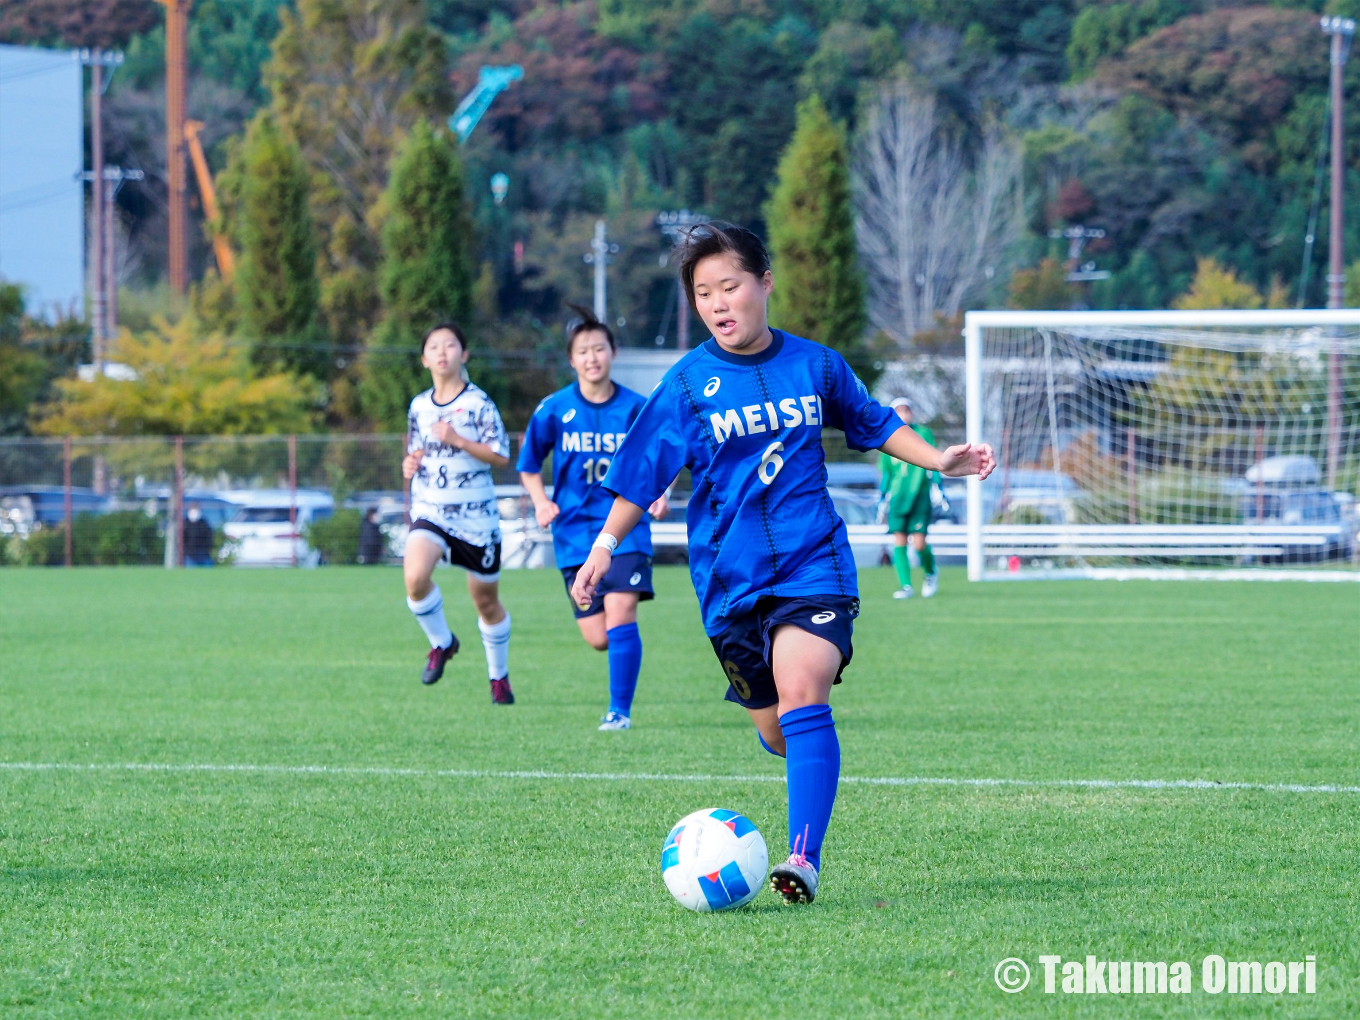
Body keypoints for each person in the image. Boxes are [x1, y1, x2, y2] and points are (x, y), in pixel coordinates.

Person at [571, 223, 994, 905]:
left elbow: (875, 423)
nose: (717, 302)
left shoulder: (816, 365)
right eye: (703, 292)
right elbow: (639, 479)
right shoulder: (686, 386)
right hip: (730, 583)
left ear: (764, 283)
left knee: (803, 688)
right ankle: (804, 756)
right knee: (776, 729)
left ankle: (803, 858)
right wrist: (602, 547)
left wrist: (938, 459)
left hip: (812, 562)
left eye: (729, 286)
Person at [517, 305, 669, 731]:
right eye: (583, 351)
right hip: (574, 534)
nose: (592, 358)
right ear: (572, 359)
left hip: (626, 529)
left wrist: (659, 494)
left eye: (599, 348)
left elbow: (664, 455)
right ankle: (618, 676)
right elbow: (528, 464)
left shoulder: (637, 408)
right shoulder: (554, 409)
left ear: (613, 353)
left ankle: (619, 713)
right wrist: (541, 502)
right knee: (599, 637)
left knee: (622, 610)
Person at [401, 321, 515, 704]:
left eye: (450, 345)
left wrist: (459, 440)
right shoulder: (418, 406)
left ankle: (498, 677)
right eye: (434, 346)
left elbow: (500, 455)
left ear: (463, 354)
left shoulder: (479, 403)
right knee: (415, 577)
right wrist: (410, 462)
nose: (442, 352)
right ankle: (442, 642)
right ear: (424, 359)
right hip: (431, 509)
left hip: (476, 519)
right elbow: (417, 450)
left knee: (486, 602)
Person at [879, 397, 943, 599]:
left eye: (907, 410)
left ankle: (931, 571)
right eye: (899, 410)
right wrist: (882, 496)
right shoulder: (886, 436)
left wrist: (939, 486)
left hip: (919, 496)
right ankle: (906, 586)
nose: (904, 414)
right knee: (899, 540)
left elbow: (935, 460)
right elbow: (887, 472)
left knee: (919, 543)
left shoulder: (923, 433)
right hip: (898, 498)